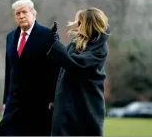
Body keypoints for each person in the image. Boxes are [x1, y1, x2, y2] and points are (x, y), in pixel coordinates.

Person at [0, 0, 60, 136]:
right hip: (14, 102)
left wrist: (53, 98)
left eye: (24, 12)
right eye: (17, 13)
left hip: (39, 103)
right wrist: (6, 99)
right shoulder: (10, 37)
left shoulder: (48, 36)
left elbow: (56, 69)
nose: (21, 16)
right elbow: (9, 69)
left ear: (33, 13)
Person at [47, 7, 111, 136]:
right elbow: (62, 67)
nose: (78, 25)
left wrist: (56, 45)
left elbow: (75, 64)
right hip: (67, 100)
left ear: (90, 24)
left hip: (88, 103)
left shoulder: (100, 48)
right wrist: (54, 98)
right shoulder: (77, 41)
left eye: (81, 22)